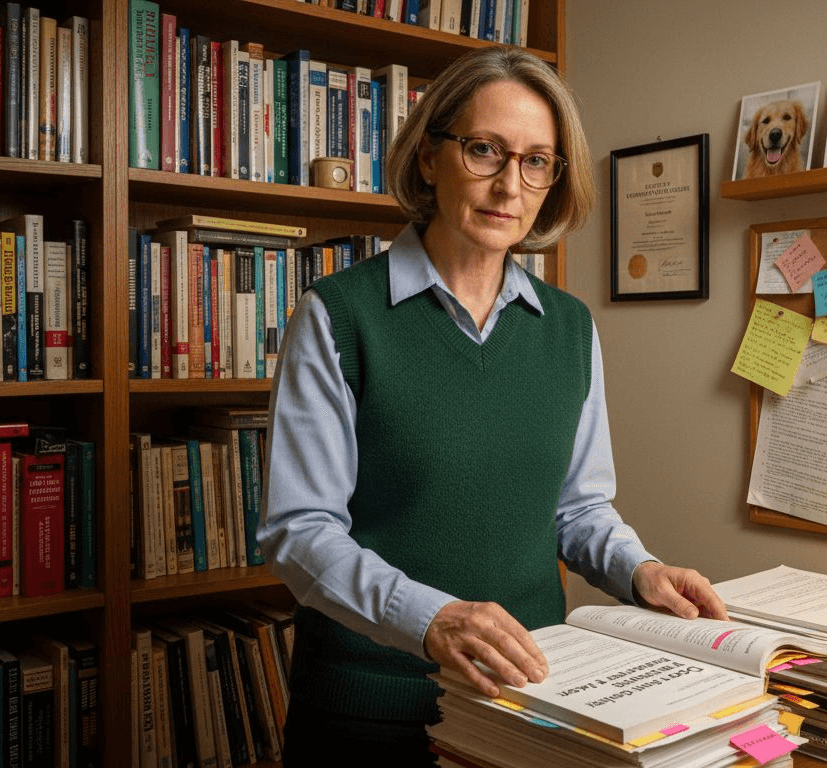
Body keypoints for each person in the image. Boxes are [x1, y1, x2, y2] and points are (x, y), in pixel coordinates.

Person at [257, 45, 728, 766]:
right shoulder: (338, 317)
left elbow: (579, 509)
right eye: (485, 150)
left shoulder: (570, 328)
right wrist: (432, 619)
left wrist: (641, 571)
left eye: (537, 161)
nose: (511, 184)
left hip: (532, 703)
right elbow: (300, 533)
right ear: (428, 157)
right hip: (368, 713)